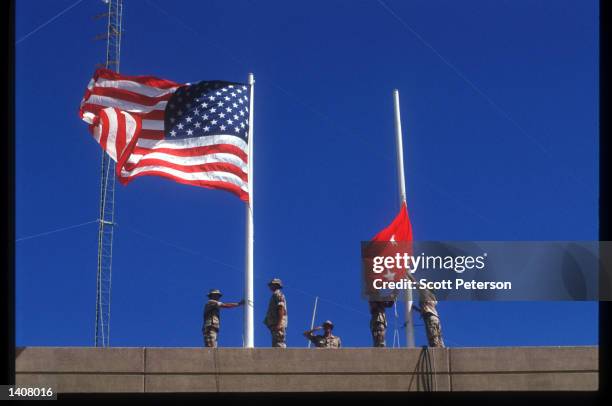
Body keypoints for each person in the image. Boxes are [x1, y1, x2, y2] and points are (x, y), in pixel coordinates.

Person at [263, 278, 288, 347]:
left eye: (272, 285)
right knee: (275, 344)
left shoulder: (278, 294)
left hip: (278, 324)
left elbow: (281, 308)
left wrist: (279, 324)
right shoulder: (275, 295)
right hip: (275, 325)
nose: (270, 287)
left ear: (276, 285)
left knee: (279, 344)